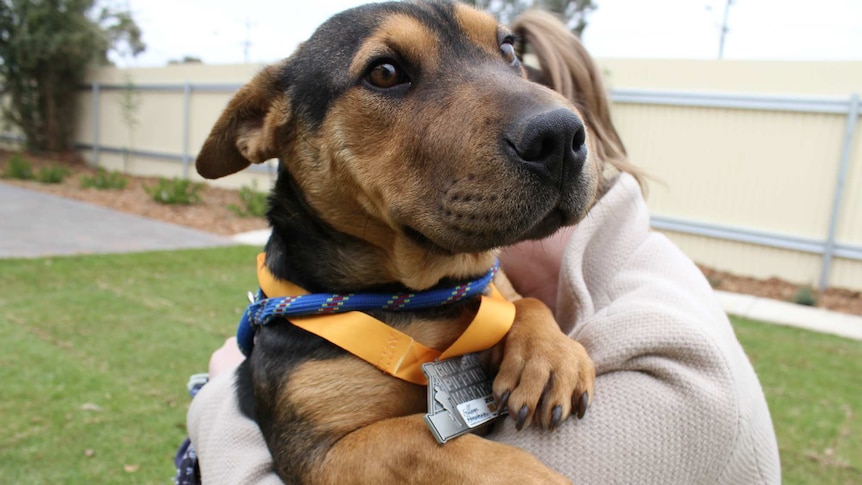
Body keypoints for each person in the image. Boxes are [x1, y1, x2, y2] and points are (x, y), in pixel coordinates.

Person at [182, 10, 781, 484]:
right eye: (388, 74)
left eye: (502, 53)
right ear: (271, 127)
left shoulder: (674, 362)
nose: (541, 118)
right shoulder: (312, 332)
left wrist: (532, 325)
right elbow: (320, 453)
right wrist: (425, 458)